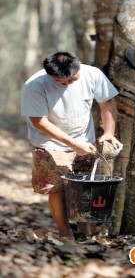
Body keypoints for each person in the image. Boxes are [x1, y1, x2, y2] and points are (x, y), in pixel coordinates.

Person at [21, 51, 122, 240]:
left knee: (85, 187)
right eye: (62, 82)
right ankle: (65, 233)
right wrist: (73, 144)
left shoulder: (93, 74)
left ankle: (85, 232)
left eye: (73, 79)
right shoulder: (35, 85)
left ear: (79, 67)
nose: (68, 84)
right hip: (48, 142)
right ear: (50, 75)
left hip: (84, 139)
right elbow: (39, 121)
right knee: (56, 188)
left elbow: (108, 104)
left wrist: (109, 133)